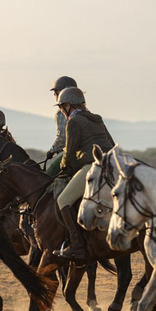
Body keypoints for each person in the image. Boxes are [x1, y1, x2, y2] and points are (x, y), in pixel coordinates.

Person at [54, 87, 115, 262]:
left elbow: (70, 153)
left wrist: (64, 169)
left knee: (63, 200)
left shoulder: (73, 122)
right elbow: (110, 144)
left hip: (93, 167)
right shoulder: (97, 119)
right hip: (112, 166)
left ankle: (77, 246)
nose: (61, 111)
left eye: (61, 108)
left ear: (67, 105)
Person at [45, 76, 77, 177]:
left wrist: (51, 151)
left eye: (55, 93)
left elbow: (62, 138)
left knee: (47, 177)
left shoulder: (61, 113)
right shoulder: (84, 110)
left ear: (61, 93)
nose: (54, 96)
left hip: (74, 153)